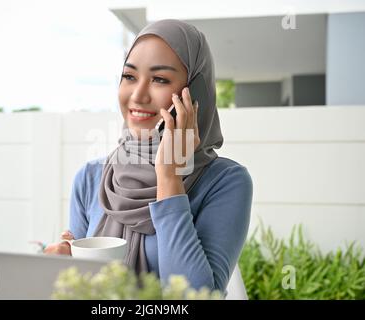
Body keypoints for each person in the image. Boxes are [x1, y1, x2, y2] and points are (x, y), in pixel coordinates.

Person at [44, 19, 253, 295]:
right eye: (129, 77)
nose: (138, 95)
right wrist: (57, 268)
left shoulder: (226, 182)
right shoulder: (91, 177)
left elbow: (194, 295)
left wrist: (169, 176)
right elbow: (82, 291)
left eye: (160, 79)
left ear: (195, 93)